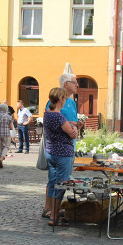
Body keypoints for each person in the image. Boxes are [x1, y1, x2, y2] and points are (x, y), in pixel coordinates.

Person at [42, 73, 80, 218]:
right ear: (65, 84)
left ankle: (53, 210)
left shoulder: (72, 102)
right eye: (74, 82)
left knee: (56, 179)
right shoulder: (53, 107)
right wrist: (73, 128)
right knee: (58, 181)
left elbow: (69, 122)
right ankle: (51, 210)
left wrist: (75, 124)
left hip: (64, 146)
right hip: (61, 149)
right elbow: (60, 123)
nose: (77, 85)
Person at [0, 102, 13, 168]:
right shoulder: (9, 117)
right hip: (6, 134)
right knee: (6, 146)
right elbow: (11, 127)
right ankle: (2, 157)